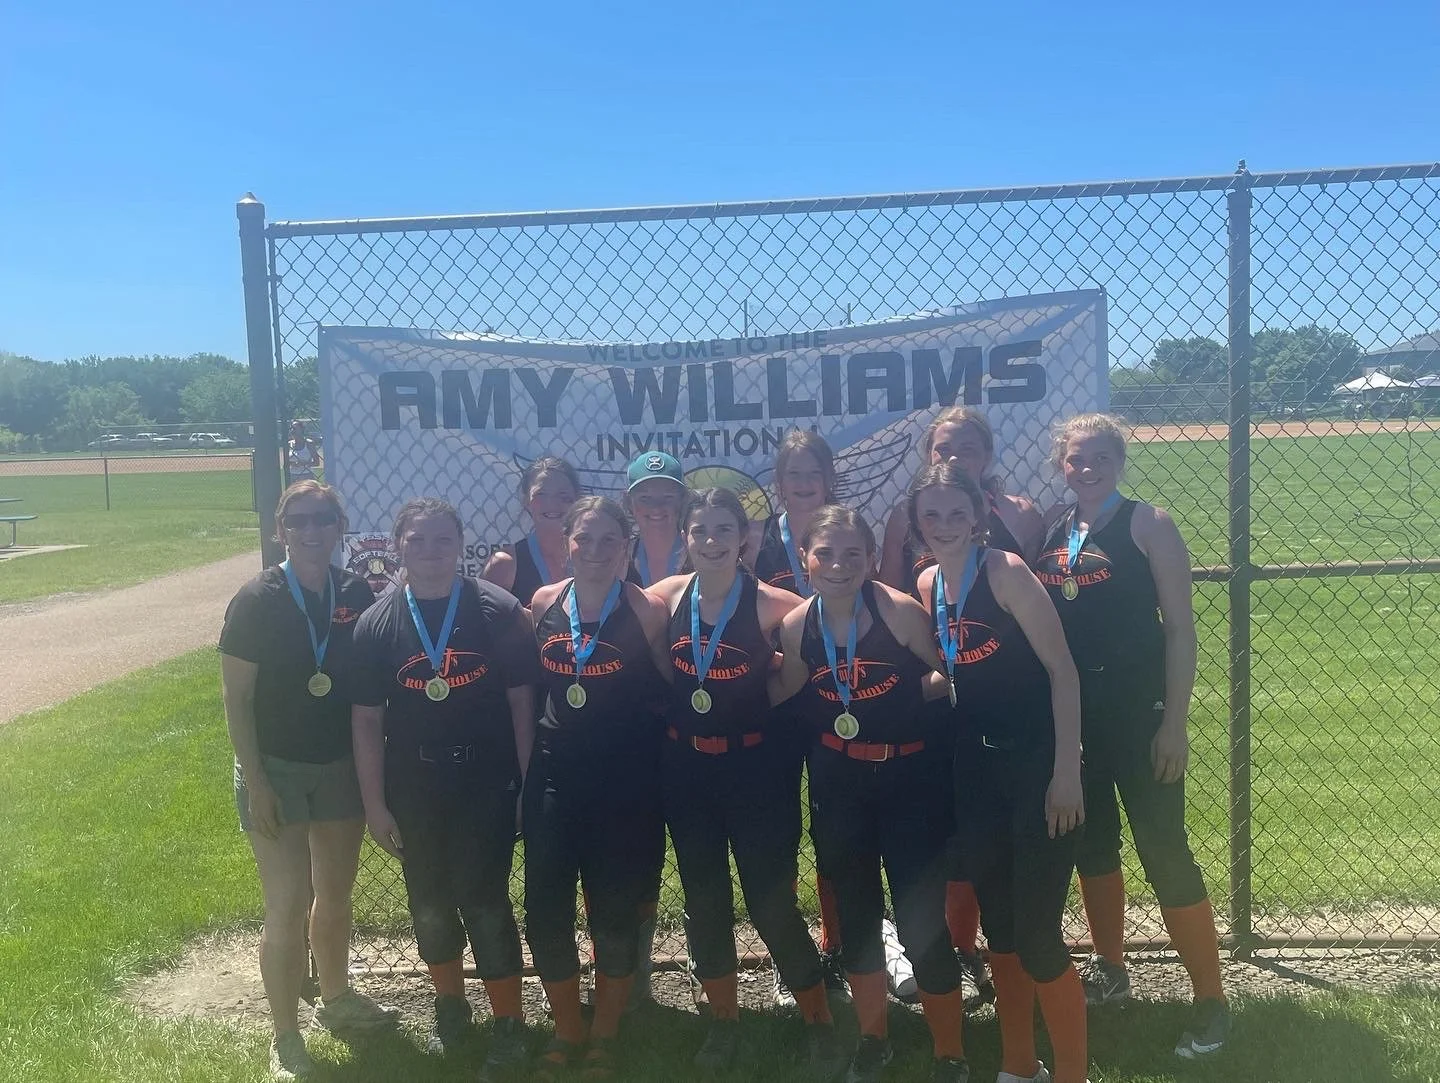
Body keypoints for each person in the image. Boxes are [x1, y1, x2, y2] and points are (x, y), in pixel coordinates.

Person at [1035, 413, 1230, 1059]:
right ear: (1061, 464)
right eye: (1074, 458)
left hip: (1140, 714)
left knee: (1163, 847)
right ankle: (1111, 969)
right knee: (1094, 843)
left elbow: (1179, 629)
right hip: (1077, 718)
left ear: (1118, 459)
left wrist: (1173, 721)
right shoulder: (1056, 530)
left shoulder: (1150, 522)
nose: (1086, 467)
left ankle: (1211, 1000)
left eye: (1098, 456)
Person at [647, 488, 847, 1081]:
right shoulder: (664, 598)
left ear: (745, 539)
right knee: (704, 900)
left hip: (756, 772)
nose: (711, 542)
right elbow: (651, 651)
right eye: (699, 530)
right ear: (685, 537)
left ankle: (818, 1020)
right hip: (687, 771)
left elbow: (808, 666)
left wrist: (762, 701)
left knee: (770, 902)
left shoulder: (774, 605)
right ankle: (724, 1021)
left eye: (723, 531)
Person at [771, 505, 966, 1083]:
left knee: (920, 920)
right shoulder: (795, 626)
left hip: (908, 780)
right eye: (825, 553)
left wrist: (906, 699)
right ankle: (874, 1039)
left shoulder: (898, 611)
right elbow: (784, 687)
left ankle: (950, 1051)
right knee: (855, 918)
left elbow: (949, 671)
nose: (838, 565)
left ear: (872, 559)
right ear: (804, 561)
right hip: (839, 782)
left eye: (853, 553)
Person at [348, 497, 539, 1081]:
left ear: (460, 545)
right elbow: (366, 719)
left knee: (484, 901)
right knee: (429, 903)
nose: (430, 551)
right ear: (399, 546)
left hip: (484, 780)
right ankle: (450, 1008)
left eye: (441, 540)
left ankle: (509, 1021)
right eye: (417, 540)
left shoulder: (496, 609)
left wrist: (526, 784)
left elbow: (521, 703)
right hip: (415, 785)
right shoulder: (378, 621)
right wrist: (375, 803)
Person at [910, 463, 1089, 1083]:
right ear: (916, 521)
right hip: (976, 771)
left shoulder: (1005, 573)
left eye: (956, 513)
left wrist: (1068, 771)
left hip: (1035, 766)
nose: (943, 526)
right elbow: (955, 672)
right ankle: (1020, 1065)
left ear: (979, 516)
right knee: (1003, 930)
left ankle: (1072, 1074)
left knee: (1038, 935)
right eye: (930, 514)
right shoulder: (929, 581)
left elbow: (1062, 672)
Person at [219, 480, 397, 1082]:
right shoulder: (256, 599)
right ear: (280, 530)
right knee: (288, 902)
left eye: (323, 518)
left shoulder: (354, 589)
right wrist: (258, 780)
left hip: (339, 766)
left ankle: (337, 996)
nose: (312, 529)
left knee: (336, 895)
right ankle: (285, 1034)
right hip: (277, 770)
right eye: (299, 520)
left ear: (339, 525)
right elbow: (236, 702)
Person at [880, 406, 1040, 1008]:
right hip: (937, 696)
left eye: (967, 448)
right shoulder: (906, 518)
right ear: (928, 456)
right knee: (948, 827)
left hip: (1002, 698)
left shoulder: (1018, 516)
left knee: (995, 836)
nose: (954, 458)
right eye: (942, 448)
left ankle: (995, 950)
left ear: (988, 454)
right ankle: (954, 950)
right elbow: (892, 604)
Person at [523, 496, 670, 1078]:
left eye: (611, 540)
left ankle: (605, 1033)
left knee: (612, 913)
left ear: (627, 549)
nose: (596, 550)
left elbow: (668, 682)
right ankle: (567, 1028)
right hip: (556, 775)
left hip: (624, 781)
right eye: (585, 538)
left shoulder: (647, 609)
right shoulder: (542, 603)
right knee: (545, 910)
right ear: (567, 543)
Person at [745, 430, 850, 1005]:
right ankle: (795, 957)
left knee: (835, 827)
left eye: (813, 473)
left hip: (841, 700)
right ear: (778, 483)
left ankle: (842, 946)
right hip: (782, 701)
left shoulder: (846, 535)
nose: (803, 483)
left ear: (829, 478)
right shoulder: (760, 542)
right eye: (793, 475)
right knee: (779, 829)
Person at [482, 456, 581, 603]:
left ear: (577, 500)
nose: (552, 503)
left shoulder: (593, 556)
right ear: (526, 501)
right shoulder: (505, 565)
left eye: (563, 495)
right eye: (541, 494)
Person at [625, 450, 688, 587]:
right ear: (630, 503)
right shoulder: (619, 557)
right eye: (645, 498)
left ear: (682, 501)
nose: (656, 508)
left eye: (668, 497)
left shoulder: (700, 554)